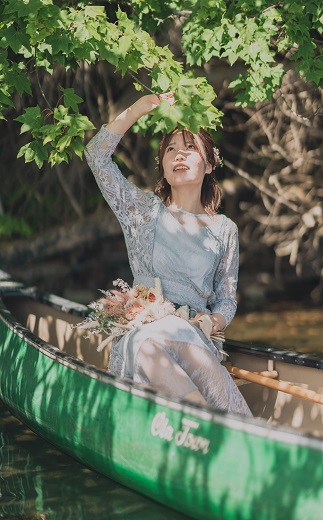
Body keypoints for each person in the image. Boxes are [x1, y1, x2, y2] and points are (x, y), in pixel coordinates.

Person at [85, 93, 251, 416]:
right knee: (149, 345)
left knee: (180, 335)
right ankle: (211, 431)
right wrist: (139, 108)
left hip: (193, 340)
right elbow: (96, 157)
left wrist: (212, 320)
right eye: (171, 149)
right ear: (162, 164)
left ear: (209, 163)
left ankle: (235, 426)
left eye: (189, 148)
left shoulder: (224, 229)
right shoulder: (144, 213)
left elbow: (227, 299)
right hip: (142, 337)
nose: (179, 155)